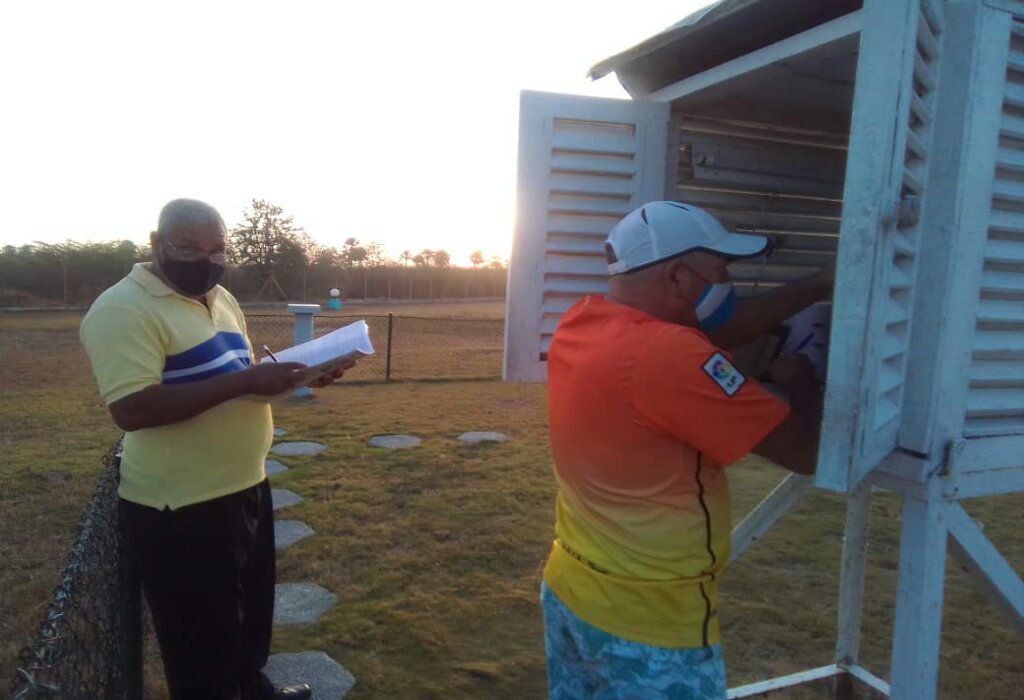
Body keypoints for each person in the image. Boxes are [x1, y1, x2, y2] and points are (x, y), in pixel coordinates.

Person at [540, 201, 832, 699]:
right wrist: (801, 377)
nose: (726, 286)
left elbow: (713, 334)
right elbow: (806, 452)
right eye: (719, 272)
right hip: (649, 624)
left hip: (571, 590)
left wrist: (816, 285)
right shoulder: (672, 355)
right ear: (678, 277)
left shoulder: (582, 322)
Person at [80, 199, 345, 700]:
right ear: (157, 244)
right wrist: (247, 378)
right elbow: (133, 409)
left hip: (244, 484)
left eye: (218, 248)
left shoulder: (221, 297)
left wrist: (301, 376)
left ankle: (253, 689)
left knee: (247, 625)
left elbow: (233, 382)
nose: (206, 259)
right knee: (201, 648)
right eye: (189, 248)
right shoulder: (121, 308)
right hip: (180, 506)